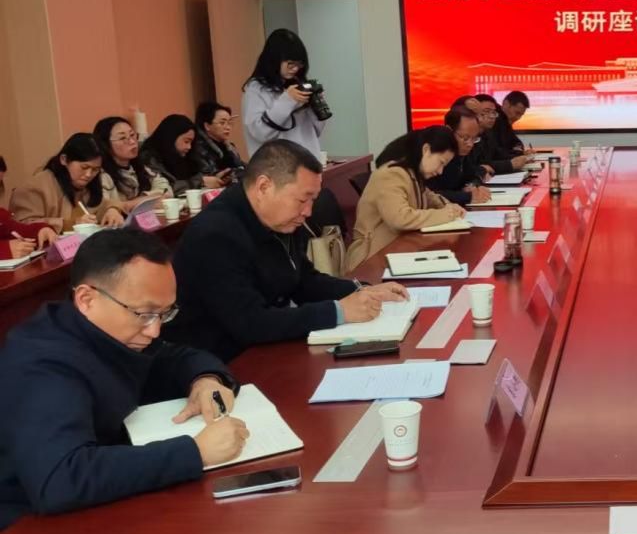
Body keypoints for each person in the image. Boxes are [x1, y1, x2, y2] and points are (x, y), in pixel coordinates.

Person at [0, 229, 249, 530]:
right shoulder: (42, 365)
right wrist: (195, 452)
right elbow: (61, 479)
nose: (155, 330)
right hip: (29, 529)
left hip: (99, 502)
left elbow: (172, 357)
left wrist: (205, 379)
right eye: (144, 314)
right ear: (87, 299)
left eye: (165, 314)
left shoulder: (105, 330)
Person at [164, 139, 408, 362]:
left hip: (263, 350)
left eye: (313, 200)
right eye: (302, 200)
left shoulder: (280, 220)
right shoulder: (215, 235)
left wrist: (362, 290)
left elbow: (303, 281)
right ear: (264, 187)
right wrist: (338, 311)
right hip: (216, 363)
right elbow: (250, 322)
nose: (308, 212)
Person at [346, 126, 466, 270]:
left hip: (397, 251)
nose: (441, 171)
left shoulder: (412, 173)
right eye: (441, 163)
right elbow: (400, 218)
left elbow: (429, 196)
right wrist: (447, 214)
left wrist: (448, 206)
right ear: (426, 150)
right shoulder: (392, 174)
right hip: (372, 258)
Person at [10, 133, 125, 231]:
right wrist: (70, 224)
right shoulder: (34, 187)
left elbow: (102, 205)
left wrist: (112, 209)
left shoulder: (86, 183)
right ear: (64, 159)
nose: (89, 174)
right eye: (84, 167)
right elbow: (23, 225)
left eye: (95, 169)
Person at [241, 28, 326, 156]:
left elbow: (316, 131)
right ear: (274, 59)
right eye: (290, 64)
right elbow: (259, 132)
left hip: (307, 160)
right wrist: (288, 100)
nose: (295, 69)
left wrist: (316, 104)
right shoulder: (256, 89)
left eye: (299, 64)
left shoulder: (296, 84)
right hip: (276, 163)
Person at [93, 116, 171, 212]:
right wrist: (150, 200)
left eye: (132, 135)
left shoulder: (138, 166)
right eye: (122, 138)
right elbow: (105, 208)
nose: (132, 141)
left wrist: (144, 198)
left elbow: (166, 188)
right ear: (105, 144)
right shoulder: (101, 175)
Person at [138, 114, 223, 196]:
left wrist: (214, 177)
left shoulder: (183, 156)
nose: (189, 147)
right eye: (186, 141)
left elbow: (193, 175)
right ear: (171, 137)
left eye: (191, 143)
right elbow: (165, 190)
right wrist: (200, 182)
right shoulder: (149, 158)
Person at [427, 107, 492, 206]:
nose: (470, 144)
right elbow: (428, 195)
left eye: (474, 138)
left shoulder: (462, 151)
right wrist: (467, 197)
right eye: (465, 138)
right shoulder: (434, 153)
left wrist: (472, 187)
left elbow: (473, 174)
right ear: (449, 130)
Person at [473, 94, 532, 174]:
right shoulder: (469, 134)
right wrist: (510, 164)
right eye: (486, 111)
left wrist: (520, 156)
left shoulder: (487, 133)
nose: (492, 116)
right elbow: (477, 165)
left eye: (493, 113)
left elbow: (498, 153)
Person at [189, 101, 245, 180]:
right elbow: (210, 175)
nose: (228, 127)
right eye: (222, 123)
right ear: (207, 126)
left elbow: (242, 166)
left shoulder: (230, 147)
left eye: (229, 123)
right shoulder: (198, 149)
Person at [497, 90, 531, 156]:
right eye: (517, 113)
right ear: (506, 104)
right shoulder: (494, 120)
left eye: (521, 115)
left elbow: (516, 142)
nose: (518, 118)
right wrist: (518, 153)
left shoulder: (506, 122)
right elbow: (496, 152)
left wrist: (518, 151)